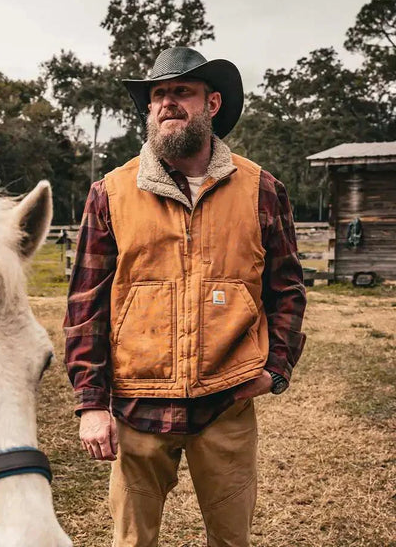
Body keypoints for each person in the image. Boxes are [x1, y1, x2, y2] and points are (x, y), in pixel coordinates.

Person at [64, 46, 306, 547]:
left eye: (182, 92)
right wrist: (91, 403)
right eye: (158, 95)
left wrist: (276, 368)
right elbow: (86, 305)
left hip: (227, 402)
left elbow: (286, 289)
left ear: (212, 103)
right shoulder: (111, 193)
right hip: (138, 408)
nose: (167, 103)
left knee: (231, 540)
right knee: (132, 542)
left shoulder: (261, 189)